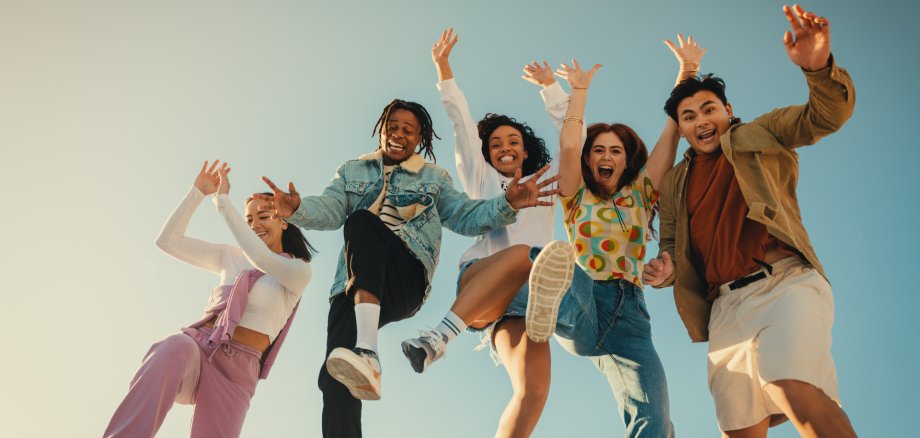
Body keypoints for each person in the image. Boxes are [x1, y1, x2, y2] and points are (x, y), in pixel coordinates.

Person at [254, 98, 558, 438]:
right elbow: (330, 208)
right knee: (335, 375)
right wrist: (297, 208)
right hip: (353, 287)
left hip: (405, 277)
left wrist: (507, 204)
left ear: (420, 140)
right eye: (392, 128)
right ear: (381, 131)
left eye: (408, 131)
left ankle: (367, 352)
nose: (399, 135)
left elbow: (466, 216)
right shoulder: (352, 171)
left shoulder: (433, 177)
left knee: (362, 223)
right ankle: (360, 366)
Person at [642, 5, 856, 437]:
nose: (702, 120)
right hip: (725, 310)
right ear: (681, 130)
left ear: (728, 109)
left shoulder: (761, 132)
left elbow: (824, 116)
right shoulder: (676, 183)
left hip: (785, 284)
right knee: (740, 428)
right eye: (689, 117)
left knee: (790, 382)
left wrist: (818, 70)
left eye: (709, 109)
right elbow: (671, 246)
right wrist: (664, 268)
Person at [398, 29, 575, 438]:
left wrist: (551, 88)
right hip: (483, 280)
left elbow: (573, 136)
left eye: (514, 141)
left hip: (528, 303)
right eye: (496, 143)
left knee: (533, 393)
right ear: (488, 152)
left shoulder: (546, 183)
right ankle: (437, 338)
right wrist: (444, 70)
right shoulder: (483, 179)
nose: (505, 147)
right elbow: (461, 122)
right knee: (521, 256)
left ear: (526, 149)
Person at [530, 36, 705, 437]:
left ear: (627, 160)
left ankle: (551, 304)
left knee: (657, 423)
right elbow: (570, 142)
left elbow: (672, 135)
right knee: (547, 257)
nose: (606, 156)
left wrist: (688, 72)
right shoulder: (574, 194)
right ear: (589, 159)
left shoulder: (642, 194)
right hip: (585, 300)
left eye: (616, 151)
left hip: (631, 319)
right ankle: (550, 308)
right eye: (599, 151)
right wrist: (579, 92)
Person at [104, 160, 315, 438]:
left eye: (264, 217)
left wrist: (223, 203)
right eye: (248, 220)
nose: (254, 226)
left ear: (285, 222)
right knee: (172, 347)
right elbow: (168, 241)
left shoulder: (297, 271)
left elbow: (262, 258)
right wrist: (197, 193)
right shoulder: (230, 256)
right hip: (200, 345)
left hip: (237, 371)